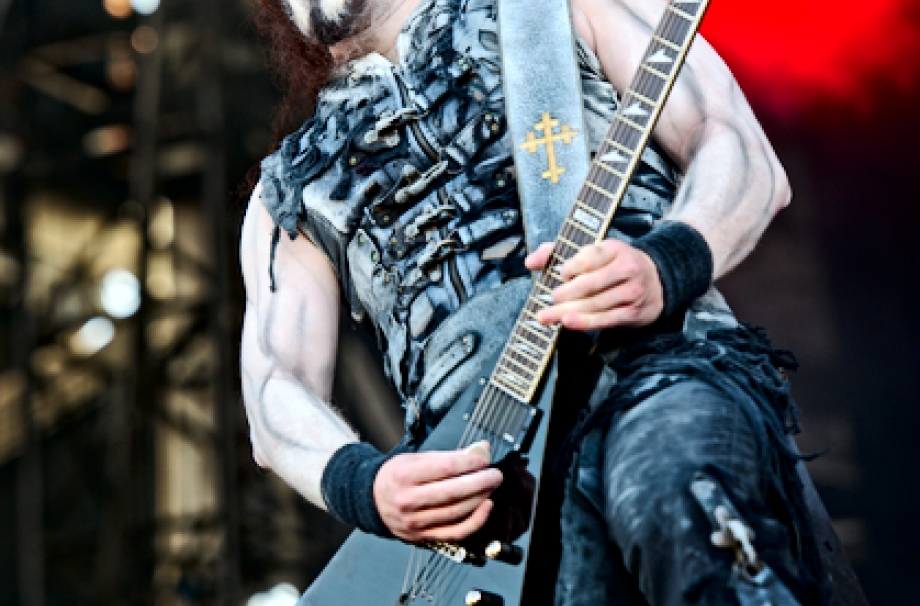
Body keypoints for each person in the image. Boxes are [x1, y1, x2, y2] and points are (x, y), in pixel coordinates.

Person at [240, 0, 830, 603]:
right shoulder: (288, 187)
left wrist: (668, 262)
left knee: (666, 481)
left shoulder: (566, 9)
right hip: (487, 500)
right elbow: (274, 384)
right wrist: (365, 484)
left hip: (652, 372)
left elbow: (733, 142)